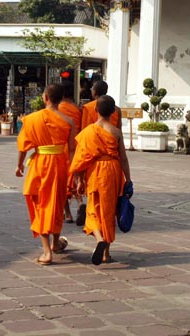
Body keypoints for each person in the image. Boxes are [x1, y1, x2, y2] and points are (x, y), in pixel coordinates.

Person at [15, 83, 76, 266]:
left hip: (41, 164)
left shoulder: (32, 119)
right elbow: (72, 150)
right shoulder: (68, 121)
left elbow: (23, 146)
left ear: (45, 98)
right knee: (57, 205)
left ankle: (47, 251)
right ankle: (56, 242)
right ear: (61, 99)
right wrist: (74, 171)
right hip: (60, 164)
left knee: (41, 205)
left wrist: (19, 166)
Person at [70, 95, 132, 265]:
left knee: (93, 208)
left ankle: (99, 238)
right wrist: (128, 179)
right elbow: (124, 158)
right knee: (109, 210)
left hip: (95, 170)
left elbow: (82, 158)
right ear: (113, 112)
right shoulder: (116, 132)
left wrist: (80, 179)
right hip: (113, 171)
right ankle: (106, 254)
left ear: (96, 110)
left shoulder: (88, 132)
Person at [58, 80, 82, 224]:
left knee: (63, 182)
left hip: (62, 148)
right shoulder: (77, 109)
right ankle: (80, 203)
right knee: (76, 179)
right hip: (77, 146)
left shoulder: (58, 109)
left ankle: (67, 214)